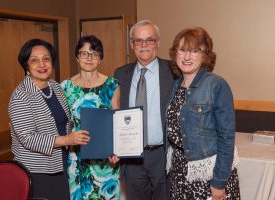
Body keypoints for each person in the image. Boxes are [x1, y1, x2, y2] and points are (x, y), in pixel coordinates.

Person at [8, 39, 90, 200]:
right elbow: (27, 138)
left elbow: (66, 122)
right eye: (34, 60)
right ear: (26, 66)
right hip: (37, 170)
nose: (42, 64)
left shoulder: (55, 87)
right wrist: (67, 139)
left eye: (46, 58)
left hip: (60, 163)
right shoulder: (20, 97)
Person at [166, 27, 240, 200]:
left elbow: (226, 138)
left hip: (208, 176)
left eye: (194, 51)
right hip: (179, 172)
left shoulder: (217, 85)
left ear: (205, 56)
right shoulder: (176, 86)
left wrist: (219, 182)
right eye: (182, 50)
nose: (186, 57)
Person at [114, 20, 175, 200]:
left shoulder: (174, 71)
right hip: (131, 156)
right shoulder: (120, 74)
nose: (144, 45)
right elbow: (114, 112)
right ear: (132, 44)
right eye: (139, 40)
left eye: (149, 40)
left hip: (162, 154)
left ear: (158, 42)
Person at [61, 35, 120, 200]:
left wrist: (117, 150)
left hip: (105, 159)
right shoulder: (65, 87)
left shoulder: (112, 85)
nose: (89, 58)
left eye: (94, 54)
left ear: (100, 59)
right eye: (84, 53)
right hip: (76, 157)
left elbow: (116, 122)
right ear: (77, 57)